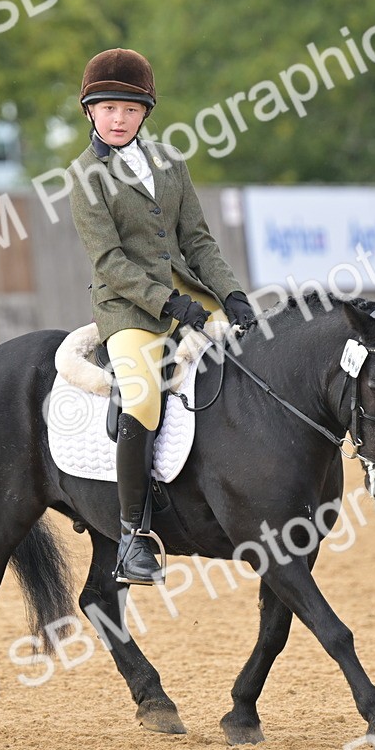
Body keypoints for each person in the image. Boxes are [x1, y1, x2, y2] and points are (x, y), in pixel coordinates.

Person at [69, 48, 255, 586]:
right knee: (143, 394)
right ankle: (132, 535)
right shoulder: (84, 178)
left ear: (144, 112)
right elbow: (109, 261)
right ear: (91, 113)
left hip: (192, 296)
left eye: (129, 109)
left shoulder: (170, 162)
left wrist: (233, 295)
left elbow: (197, 240)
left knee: (257, 356)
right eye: (107, 109)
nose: (118, 118)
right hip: (128, 309)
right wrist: (168, 304)